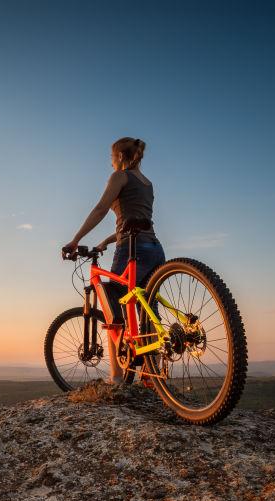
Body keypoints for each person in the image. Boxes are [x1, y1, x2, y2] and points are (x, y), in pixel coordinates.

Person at [63, 137, 166, 384]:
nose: (110, 163)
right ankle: (150, 376)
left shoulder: (120, 177)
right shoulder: (147, 183)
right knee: (148, 308)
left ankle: (117, 376)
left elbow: (100, 209)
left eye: (111, 158)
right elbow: (136, 221)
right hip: (153, 247)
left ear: (120, 156)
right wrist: (107, 241)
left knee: (112, 308)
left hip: (131, 249)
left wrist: (75, 240)